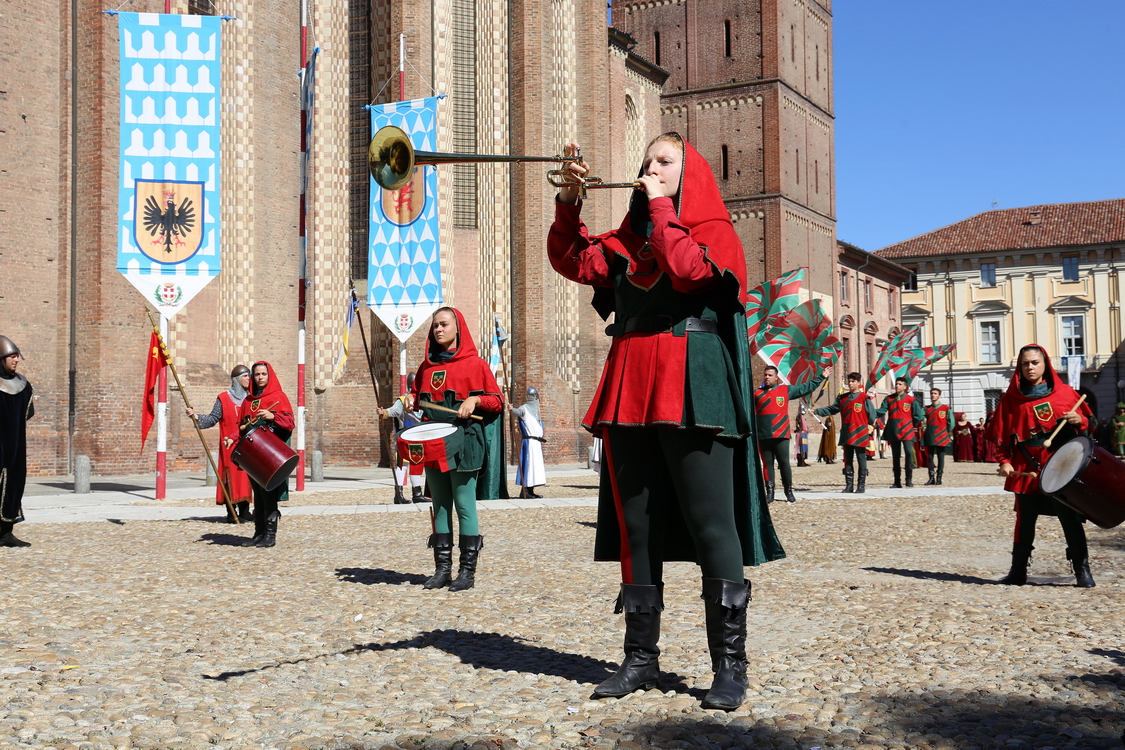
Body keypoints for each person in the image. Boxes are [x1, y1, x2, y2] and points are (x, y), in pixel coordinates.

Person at [549, 132, 784, 712]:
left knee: (711, 524)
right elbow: (571, 259)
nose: (650, 168)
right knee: (638, 526)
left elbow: (686, 271)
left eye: (664, 162)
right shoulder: (628, 241)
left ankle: (729, 666)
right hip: (630, 382)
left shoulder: (715, 233)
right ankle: (640, 658)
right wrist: (569, 203)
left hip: (694, 382)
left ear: (690, 173)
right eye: (646, 162)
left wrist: (658, 207)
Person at [408, 307, 504, 592]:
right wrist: (404, 400)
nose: (438, 329)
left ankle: (467, 572)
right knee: (439, 504)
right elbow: (417, 398)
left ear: (457, 328)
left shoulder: (475, 365)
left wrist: (474, 400)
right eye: (435, 325)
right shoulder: (426, 368)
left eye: (444, 325)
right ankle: (442, 569)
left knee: (463, 505)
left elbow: (496, 401)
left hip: (464, 441)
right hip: (434, 441)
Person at [985, 344, 1095, 588]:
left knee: (1070, 518)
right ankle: (1018, 571)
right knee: (1025, 520)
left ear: (1045, 364)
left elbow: (1089, 426)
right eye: (1025, 364)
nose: (1030, 367)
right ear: (1019, 367)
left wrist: (1081, 421)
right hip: (1027, 467)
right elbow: (1002, 438)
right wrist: (1004, 461)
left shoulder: (1066, 394)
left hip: (1061, 467)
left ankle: (1082, 570)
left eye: (1035, 362)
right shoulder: (1010, 400)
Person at [237, 362, 295, 548]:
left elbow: (289, 422)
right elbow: (241, 426)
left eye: (263, 374)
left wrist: (273, 417)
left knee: (268, 492)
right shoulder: (248, 401)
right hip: (253, 454)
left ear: (269, 375)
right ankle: (258, 533)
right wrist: (232, 438)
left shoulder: (279, 396)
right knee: (258, 494)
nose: (260, 377)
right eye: (257, 374)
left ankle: (270, 535)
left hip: (270, 453)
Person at [186, 365, 253, 523]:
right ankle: (231, 512)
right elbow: (212, 419)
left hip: (247, 445)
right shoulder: (223, 398)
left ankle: (245, 511)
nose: (248, 379)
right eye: (245, 376)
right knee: (230, 477)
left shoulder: (251, 399)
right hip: (228, 446)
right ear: (236, 379)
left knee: (246, 477)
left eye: (249, 376)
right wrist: (196, 417)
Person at [753, 366, 826, 503]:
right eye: (765, 375)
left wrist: (821, 377)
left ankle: (788, 490)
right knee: (767, 464)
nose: (767, 377)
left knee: (784, 463)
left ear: (776, 377)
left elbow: (805, 388)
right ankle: (770, 492)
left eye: (770, 375)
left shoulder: (785, 390)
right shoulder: (757, 393)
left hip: (781, 434)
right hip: (763, 435)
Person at [815, 374, 877, 493]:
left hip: (860, 432)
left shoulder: (864, 398)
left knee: (861, 457)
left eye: (853, 381)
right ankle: (849, 485)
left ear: (859, 382)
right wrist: (816, 411)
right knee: (847, 459)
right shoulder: (843, 398)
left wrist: (866, 426)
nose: (850, 384)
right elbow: (832, 409)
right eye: (849, 381)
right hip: (847, 432)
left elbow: (872, 415)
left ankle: (861, 485)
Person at [0, 336, 33, 548]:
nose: (16, 360)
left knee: (14, 483)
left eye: (16, 356)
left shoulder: (24, 386)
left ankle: (5, 532)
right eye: (12, 356)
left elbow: (27, 414)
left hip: (16, 445)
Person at [377, 373, 428, 504]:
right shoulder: (402, 400)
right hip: (405, 438)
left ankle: (417, 493)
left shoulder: (423, 399)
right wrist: (384, 412)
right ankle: (398, 495)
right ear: (412, 385)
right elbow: (393, 411)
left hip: (419, 438)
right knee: (402, 465)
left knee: (417, 464)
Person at [875, 377, 925, 488]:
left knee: (908, 453)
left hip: (907, 430)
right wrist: (870, 411)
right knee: (895, 456)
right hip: (893, 431)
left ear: (905, 387)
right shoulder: (889, 399)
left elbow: (918, 415)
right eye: (896, 384)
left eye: (899, 384)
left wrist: (912, 425)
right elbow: (881, 411)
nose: (897, 386)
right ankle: (897, 481)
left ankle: (908, 479)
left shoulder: (911, 400)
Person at [509, 386, 547, 499]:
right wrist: (511, 409)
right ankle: (525, 491)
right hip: (530, 442)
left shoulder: (536, 410)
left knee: (535, 468)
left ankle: (531, 490)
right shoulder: (524, 408)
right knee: (529, 467)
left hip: (536, 442)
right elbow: (518, 412)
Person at [921, 387, 951, 485]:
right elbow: (919, 416)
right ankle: (931, 478)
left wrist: (947, 432)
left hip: (941, 435)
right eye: (931, 393)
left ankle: (939, 477)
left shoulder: (946, 408)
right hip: (930, 435)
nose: (933, 395)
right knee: (930, 457)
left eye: (935, 393)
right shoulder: (927, 409)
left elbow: (951, 422)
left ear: (939, 395)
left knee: (941, 457)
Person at [794, 402, 810, 468]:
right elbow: (798, 426)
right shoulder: (799, 417)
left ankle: (803, 461)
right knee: (800, 449)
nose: (805, 410)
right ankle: (800, 461)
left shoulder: (802, 417)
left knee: (804, 449)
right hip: (801, 434)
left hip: (804, 433)